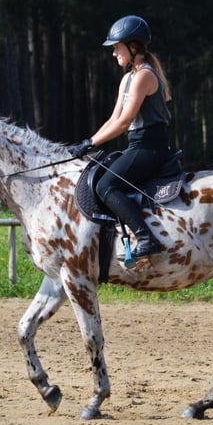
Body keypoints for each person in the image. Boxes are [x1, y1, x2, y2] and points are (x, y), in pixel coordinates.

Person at [69, 15, 174, 260]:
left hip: (152, 146)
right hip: (137, 144)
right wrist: (87, 142)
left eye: (117, 47)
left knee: (107, 185)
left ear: (133, 47)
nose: (114, 53)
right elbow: (113, 120)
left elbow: (125, 122)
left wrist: (92, 143)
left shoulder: (145, 76)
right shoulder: (128, 78)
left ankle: (146, 238)